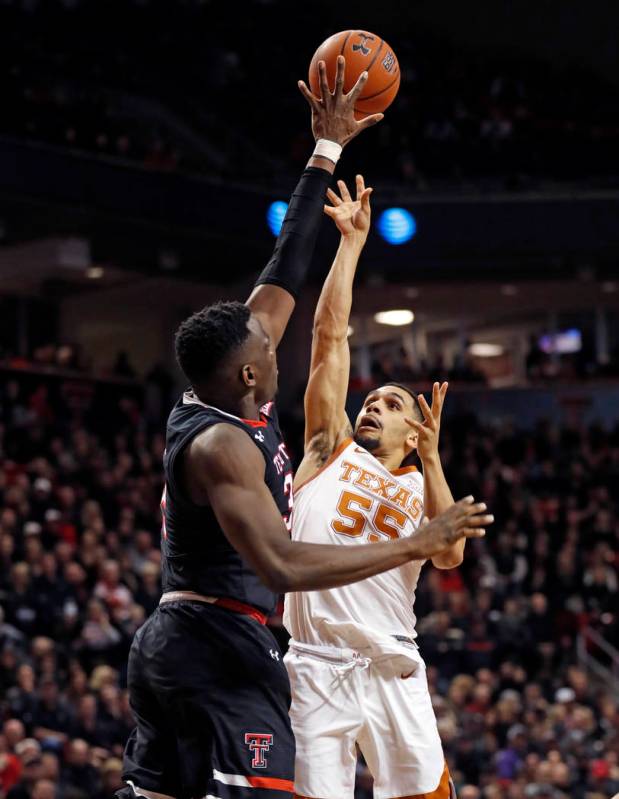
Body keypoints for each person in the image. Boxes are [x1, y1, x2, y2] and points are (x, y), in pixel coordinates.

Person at [119, 59, 492, 799]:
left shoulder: (240, 381)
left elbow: (285, 264)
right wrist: (415, 540)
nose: (273, 346)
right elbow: (286, 561)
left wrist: (326, 154)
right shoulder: (258, 443)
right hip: (254, 646)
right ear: (249, 375)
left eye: (394, 402)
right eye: (266, 351)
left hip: (357, 652)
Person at [284, 177, 486, 799]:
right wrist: (350, 245)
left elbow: (450, 554)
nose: (371, 406)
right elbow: (329, 340)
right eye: (369, 399)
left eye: (390, 403)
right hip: (315, 665)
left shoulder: (424, 489)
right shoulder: (329, 448)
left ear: (415, 425)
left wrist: (432, 461)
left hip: (394, 661)